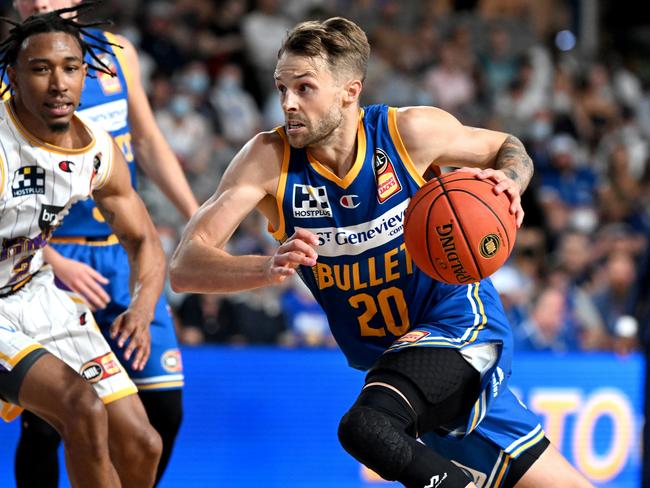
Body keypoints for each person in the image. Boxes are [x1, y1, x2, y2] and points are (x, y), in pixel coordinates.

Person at [170, 17, 594, 487]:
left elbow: (506, 146)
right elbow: (185, 265)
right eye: (281, 88)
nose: (288, 103)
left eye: (304, 88)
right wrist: (265, 266)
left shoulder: (408, 132)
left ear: (349, 91)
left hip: (460, 324)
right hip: (402, 364)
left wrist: (511, 181)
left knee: (368, 428)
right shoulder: (268, 159)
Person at [6, 1, 199, 485]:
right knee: (77, 410)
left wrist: (142, 303)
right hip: (41, 269)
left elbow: (143, 237)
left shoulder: (96, 145)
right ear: (13, 74)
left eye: (71, 69)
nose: (58, 84)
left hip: (39, 284)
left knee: (143, 441)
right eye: (42, 70)